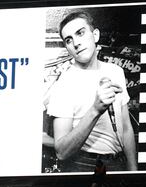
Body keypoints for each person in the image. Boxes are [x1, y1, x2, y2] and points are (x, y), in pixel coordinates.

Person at [46, 10, 137, 172]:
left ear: (95, 35)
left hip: (118, 163)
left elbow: (126, 127)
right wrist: (95, 110)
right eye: (69, 40)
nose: (76, 43)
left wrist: (133, 169)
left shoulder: (115, 71)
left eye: (80, 33)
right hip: (83, 164)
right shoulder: (63, 84)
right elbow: (61, 151)